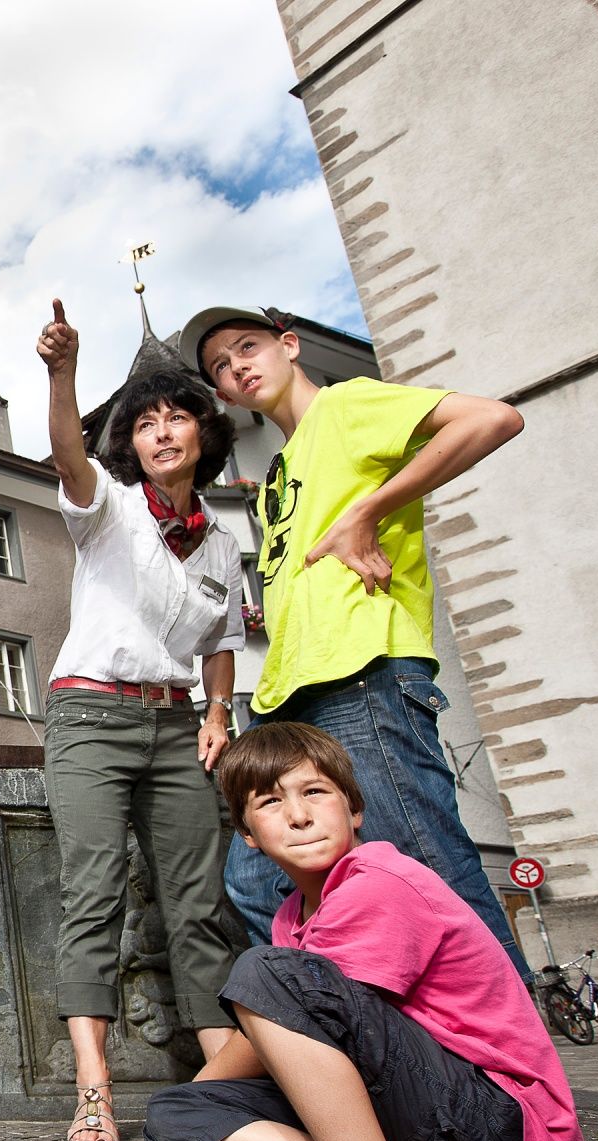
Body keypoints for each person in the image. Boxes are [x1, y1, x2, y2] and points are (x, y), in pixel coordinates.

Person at [182, 306, 529, 978]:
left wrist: (368, 511)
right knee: (258, 880)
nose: (237, 367)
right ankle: (356, 1026)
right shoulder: (276, 477)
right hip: (287, 693)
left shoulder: (345, 407)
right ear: (222, 393)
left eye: (247, 347)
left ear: (288, 346)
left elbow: (493, 418)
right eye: (221, 367)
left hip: (362, 671)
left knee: (422, 862)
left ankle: (512, 1062)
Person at [145, 723, 585, 1141]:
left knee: (264, 973)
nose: (299, 815)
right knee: (175, 1116)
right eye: (269, 802)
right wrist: (197, 1102)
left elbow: (280, 1010)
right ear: (247, 836)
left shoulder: (377, 880)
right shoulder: (294, 913)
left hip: (502, 1124)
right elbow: (289, 1031)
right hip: (420, 1121)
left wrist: (209, 1088)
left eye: (314, 792)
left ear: (354, 810)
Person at [36, 299, 246, 1141]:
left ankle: (222, 1076)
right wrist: (61, 374)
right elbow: (66, 456)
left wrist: (221, 711)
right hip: (90, 713)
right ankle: (94, 1086)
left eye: (179, 417)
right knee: (94, 892)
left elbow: (223, 641)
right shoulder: (111, 508)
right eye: (148, 421)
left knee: (199, 904)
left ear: (203, 433)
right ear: (133, 441)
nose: (163, 432)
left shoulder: (223, 545)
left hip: (177, 727)